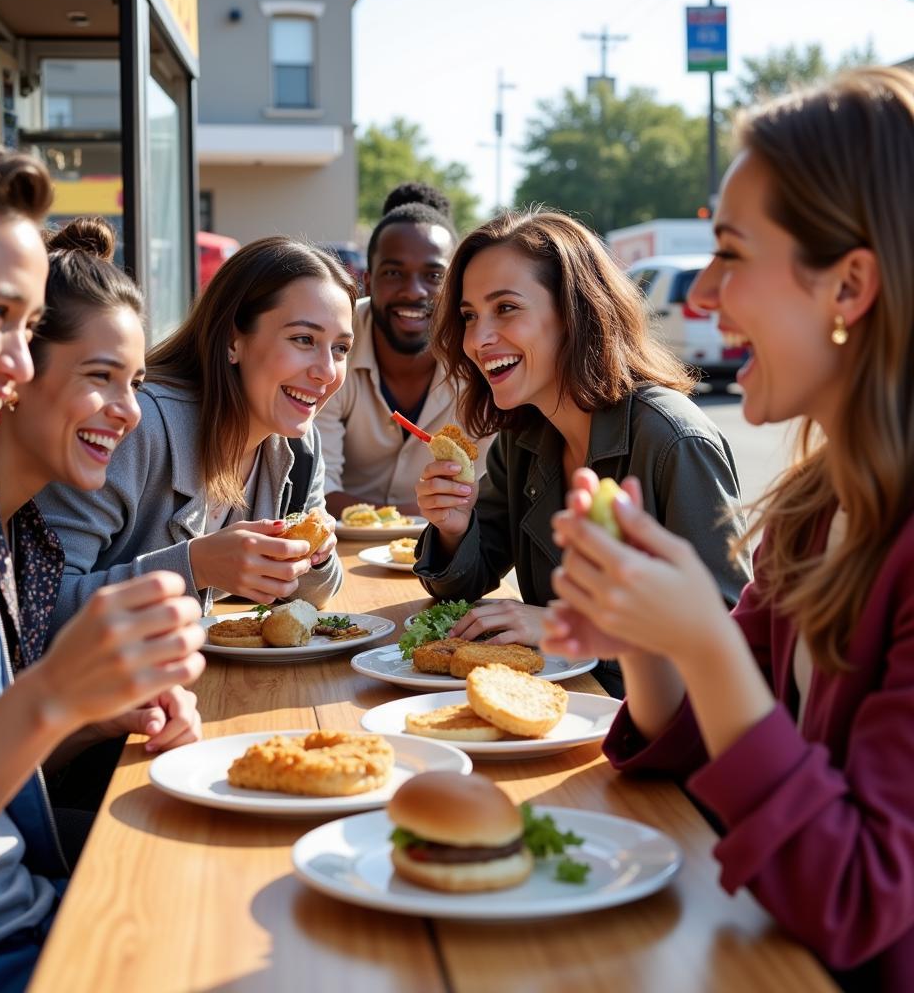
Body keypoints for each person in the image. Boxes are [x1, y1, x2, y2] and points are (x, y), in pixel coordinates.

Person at [544, 67, 914, 989]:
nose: (702, 294)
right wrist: (649, 640)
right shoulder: (811, 510)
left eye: (732, 253)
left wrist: (702, 638)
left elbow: (861, 896)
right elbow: (706, 748)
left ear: (850, 285)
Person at [0, 135, 204, 993]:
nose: (20, 366)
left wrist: (93, 711)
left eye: (29, 329)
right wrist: (54, 697)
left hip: (40, 921)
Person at [0, 217, 201, 861]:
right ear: (18, 373)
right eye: (99, 376)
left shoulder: (29, 544)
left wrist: (92, 718)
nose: (130, 411)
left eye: (135, 383)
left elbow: (1, 794)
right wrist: (56, 701)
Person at [413, 209, 751, 694]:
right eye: (469, 316)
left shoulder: (673, 439)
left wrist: (560, 627)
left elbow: (731, 634)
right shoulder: (524, 436)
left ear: (576, 312)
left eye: (505, 308)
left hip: (654, 739)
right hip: (555, 706)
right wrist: (453, 528)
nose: (477, 339)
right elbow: (463, 584)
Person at [38, 236, 355, 623]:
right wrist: (194, 567)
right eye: (303, 339)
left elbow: (317, 594)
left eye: (340, 348)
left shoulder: (300, 445)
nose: (326, 371)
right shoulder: (133, 427)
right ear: (232, 341)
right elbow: (42, 607)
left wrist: (315, 557)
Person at [316, 184, 492, 518]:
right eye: (394, 273)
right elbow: (318, 491)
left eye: (433, 275)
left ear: (455, 285)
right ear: (367, 283)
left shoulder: (482, 353)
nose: (414, 292)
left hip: (450, 547)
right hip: (343, 547)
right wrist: (415, 513)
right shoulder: (334, 345)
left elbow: (489, 492)